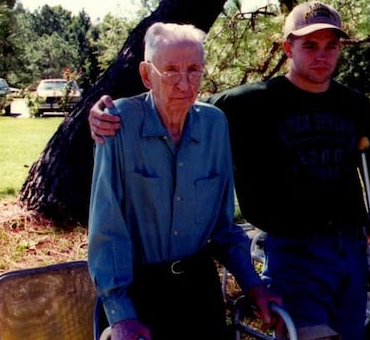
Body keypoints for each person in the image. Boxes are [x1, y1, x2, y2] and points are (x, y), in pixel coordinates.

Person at [88, 3, 370, 340]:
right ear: (288, 48)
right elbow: (170, 102)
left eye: (331, 46)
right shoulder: (249, 102)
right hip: (293, 255)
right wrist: (106, 112)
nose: (322, 55)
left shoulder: (353, 105)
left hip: (348, 252)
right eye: (310, 45)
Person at [87, 22, 280, 340]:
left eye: (193, 70)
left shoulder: (214, 124)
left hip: (197, 290)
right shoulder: (118, 123)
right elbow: (107, 229)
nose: (184, 83)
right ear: (148, 75)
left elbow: (223, 228)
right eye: (171, 70)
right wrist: (121, 314)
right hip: (138, 291)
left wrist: (253, 284)